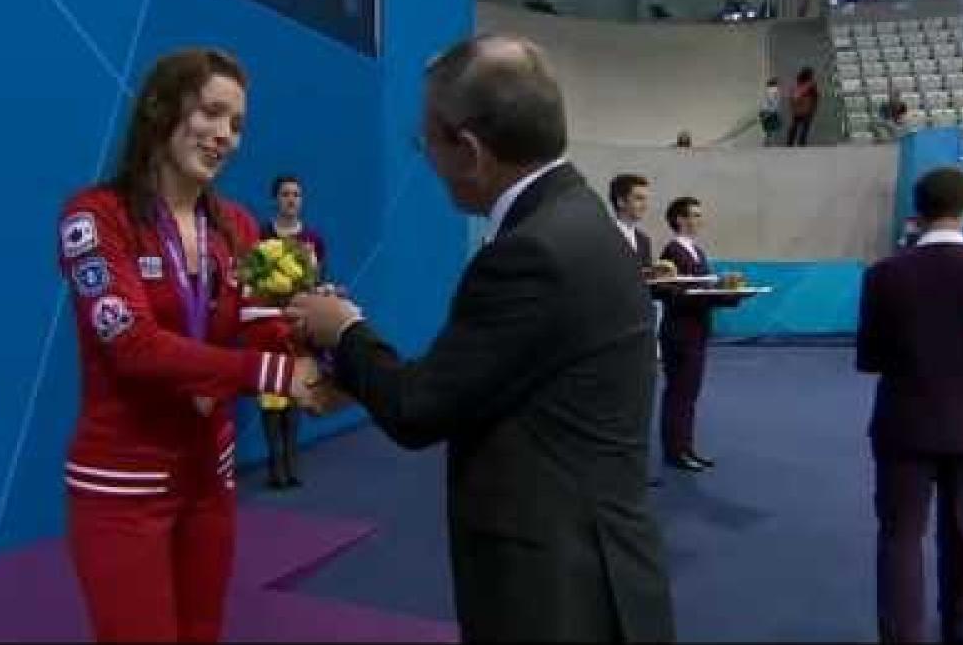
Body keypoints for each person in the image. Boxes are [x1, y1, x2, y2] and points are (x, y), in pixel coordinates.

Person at [288, 34, 675, 642]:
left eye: (427, 143)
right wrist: (363, 378)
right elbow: (492, 374)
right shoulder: (576, 217)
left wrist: (344, 330)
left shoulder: (533, 251)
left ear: (468, 149)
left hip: (555, 592)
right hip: (597, 564)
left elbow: (419, 410)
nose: (429, 160)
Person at [55, 47, 328, 642]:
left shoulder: (237, 224)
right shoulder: (95, 217)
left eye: (236, 125)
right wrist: (277, 377)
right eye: (211, 113)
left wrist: (320, 335)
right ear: (161, 107)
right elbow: (134, 347)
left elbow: (258, 328)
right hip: (125, 489)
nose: (225, 136)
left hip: (211, 478)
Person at [855, 167, 963, 643]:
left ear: (918, 210)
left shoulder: (884, 275)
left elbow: (869, 359)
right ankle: (959, 633)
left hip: (904, 422)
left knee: (900, 539)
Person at [657, 196, 740, 472]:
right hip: (680, 334)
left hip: (696, 332)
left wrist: (731, 294)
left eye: (699, 215)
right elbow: (677, 295)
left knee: (689, 395)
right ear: (679, 219)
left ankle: (686, 447)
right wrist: (719, 292)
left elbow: (703, 292)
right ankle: (675, 451)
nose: (698, 220)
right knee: (679, 394)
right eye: (693, 215)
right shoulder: (672, 252)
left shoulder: (696, 251)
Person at [257, 174, 328, 489]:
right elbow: (252, 281)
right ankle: (274, 463)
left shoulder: (314, 239)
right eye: (285, 194)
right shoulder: (261, 235)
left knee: (295, 390)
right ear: (276, 199)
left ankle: (291, 461)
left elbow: (318, 281)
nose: (291, 199)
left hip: (298, 326)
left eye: (296, 194)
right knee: (272, 394)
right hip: (270, 326)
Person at [609, 173, 666, 488]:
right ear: (620, 201)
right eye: (639, 198)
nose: (646, 204)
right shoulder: (601, 235)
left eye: (646, 197)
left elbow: (644, 285)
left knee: (638, 404)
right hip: (610, 335)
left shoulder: (643, 240)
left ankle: (632, 469)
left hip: (642, 330)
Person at [786, 66, 819, 146]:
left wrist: (793, 106)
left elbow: (791, 96)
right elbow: (815, 97)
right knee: (805, 127)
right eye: (812, 74)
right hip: (807, 109)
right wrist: (814, 108)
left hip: (797, 109)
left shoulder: (797, 84)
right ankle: (801, 142)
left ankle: (790, 142)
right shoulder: (811, 85)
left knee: (795, 126)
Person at [759, 77, 783, 146]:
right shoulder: (773, 91)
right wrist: (770, 111)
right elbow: (773, 102)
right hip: (770, 112)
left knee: (769, 128)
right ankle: (768, 142)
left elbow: (766, 102)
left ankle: (768, 141)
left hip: (767, 111)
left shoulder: (768, 91)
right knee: (771, 127)